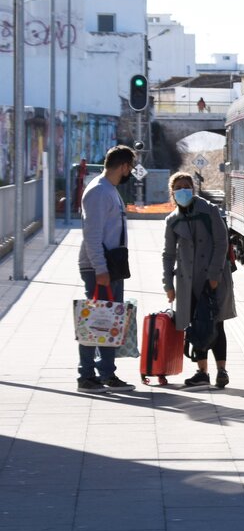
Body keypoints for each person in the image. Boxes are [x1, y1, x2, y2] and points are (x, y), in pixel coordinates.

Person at [162, 171, 236, 388]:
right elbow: (168, 254)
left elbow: (221, 243)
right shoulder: (172, 220)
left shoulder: (209, 210)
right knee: (196, 324)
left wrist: (213, 276)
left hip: (214, 278)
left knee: (216, 323)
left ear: (193, 189)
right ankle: (202, 372)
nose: (183, 191)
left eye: (187, 186)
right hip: (188, 281)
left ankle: (221, 370)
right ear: (172, 193)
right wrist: (168, 284)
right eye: (178, 188)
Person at [77, 145, 137, 392]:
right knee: (94, 321)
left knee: (110, 320)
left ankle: (106, 373)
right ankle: (86, 375)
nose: (129, 173)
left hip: (111, 266)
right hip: (99, 268)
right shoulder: (99, 192)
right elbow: (92, 234)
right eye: (130, 168)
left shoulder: (109, 190)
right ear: (123, 166)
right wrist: (100, 268)